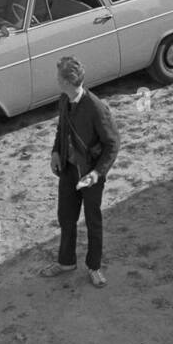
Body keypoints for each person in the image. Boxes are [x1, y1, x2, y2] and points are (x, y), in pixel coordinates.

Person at [40, 56, 119, 287]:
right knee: (66, 217)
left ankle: (94, 267)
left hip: (90, 175)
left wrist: (97, 173)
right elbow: (62, 129)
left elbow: (113, 144)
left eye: (58, 78)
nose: (56, 81)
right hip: (68, 170)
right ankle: (66, 262)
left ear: (66, 82)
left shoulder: (96, 107)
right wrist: (56, 152)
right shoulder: (64, 100)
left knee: (93, 221)